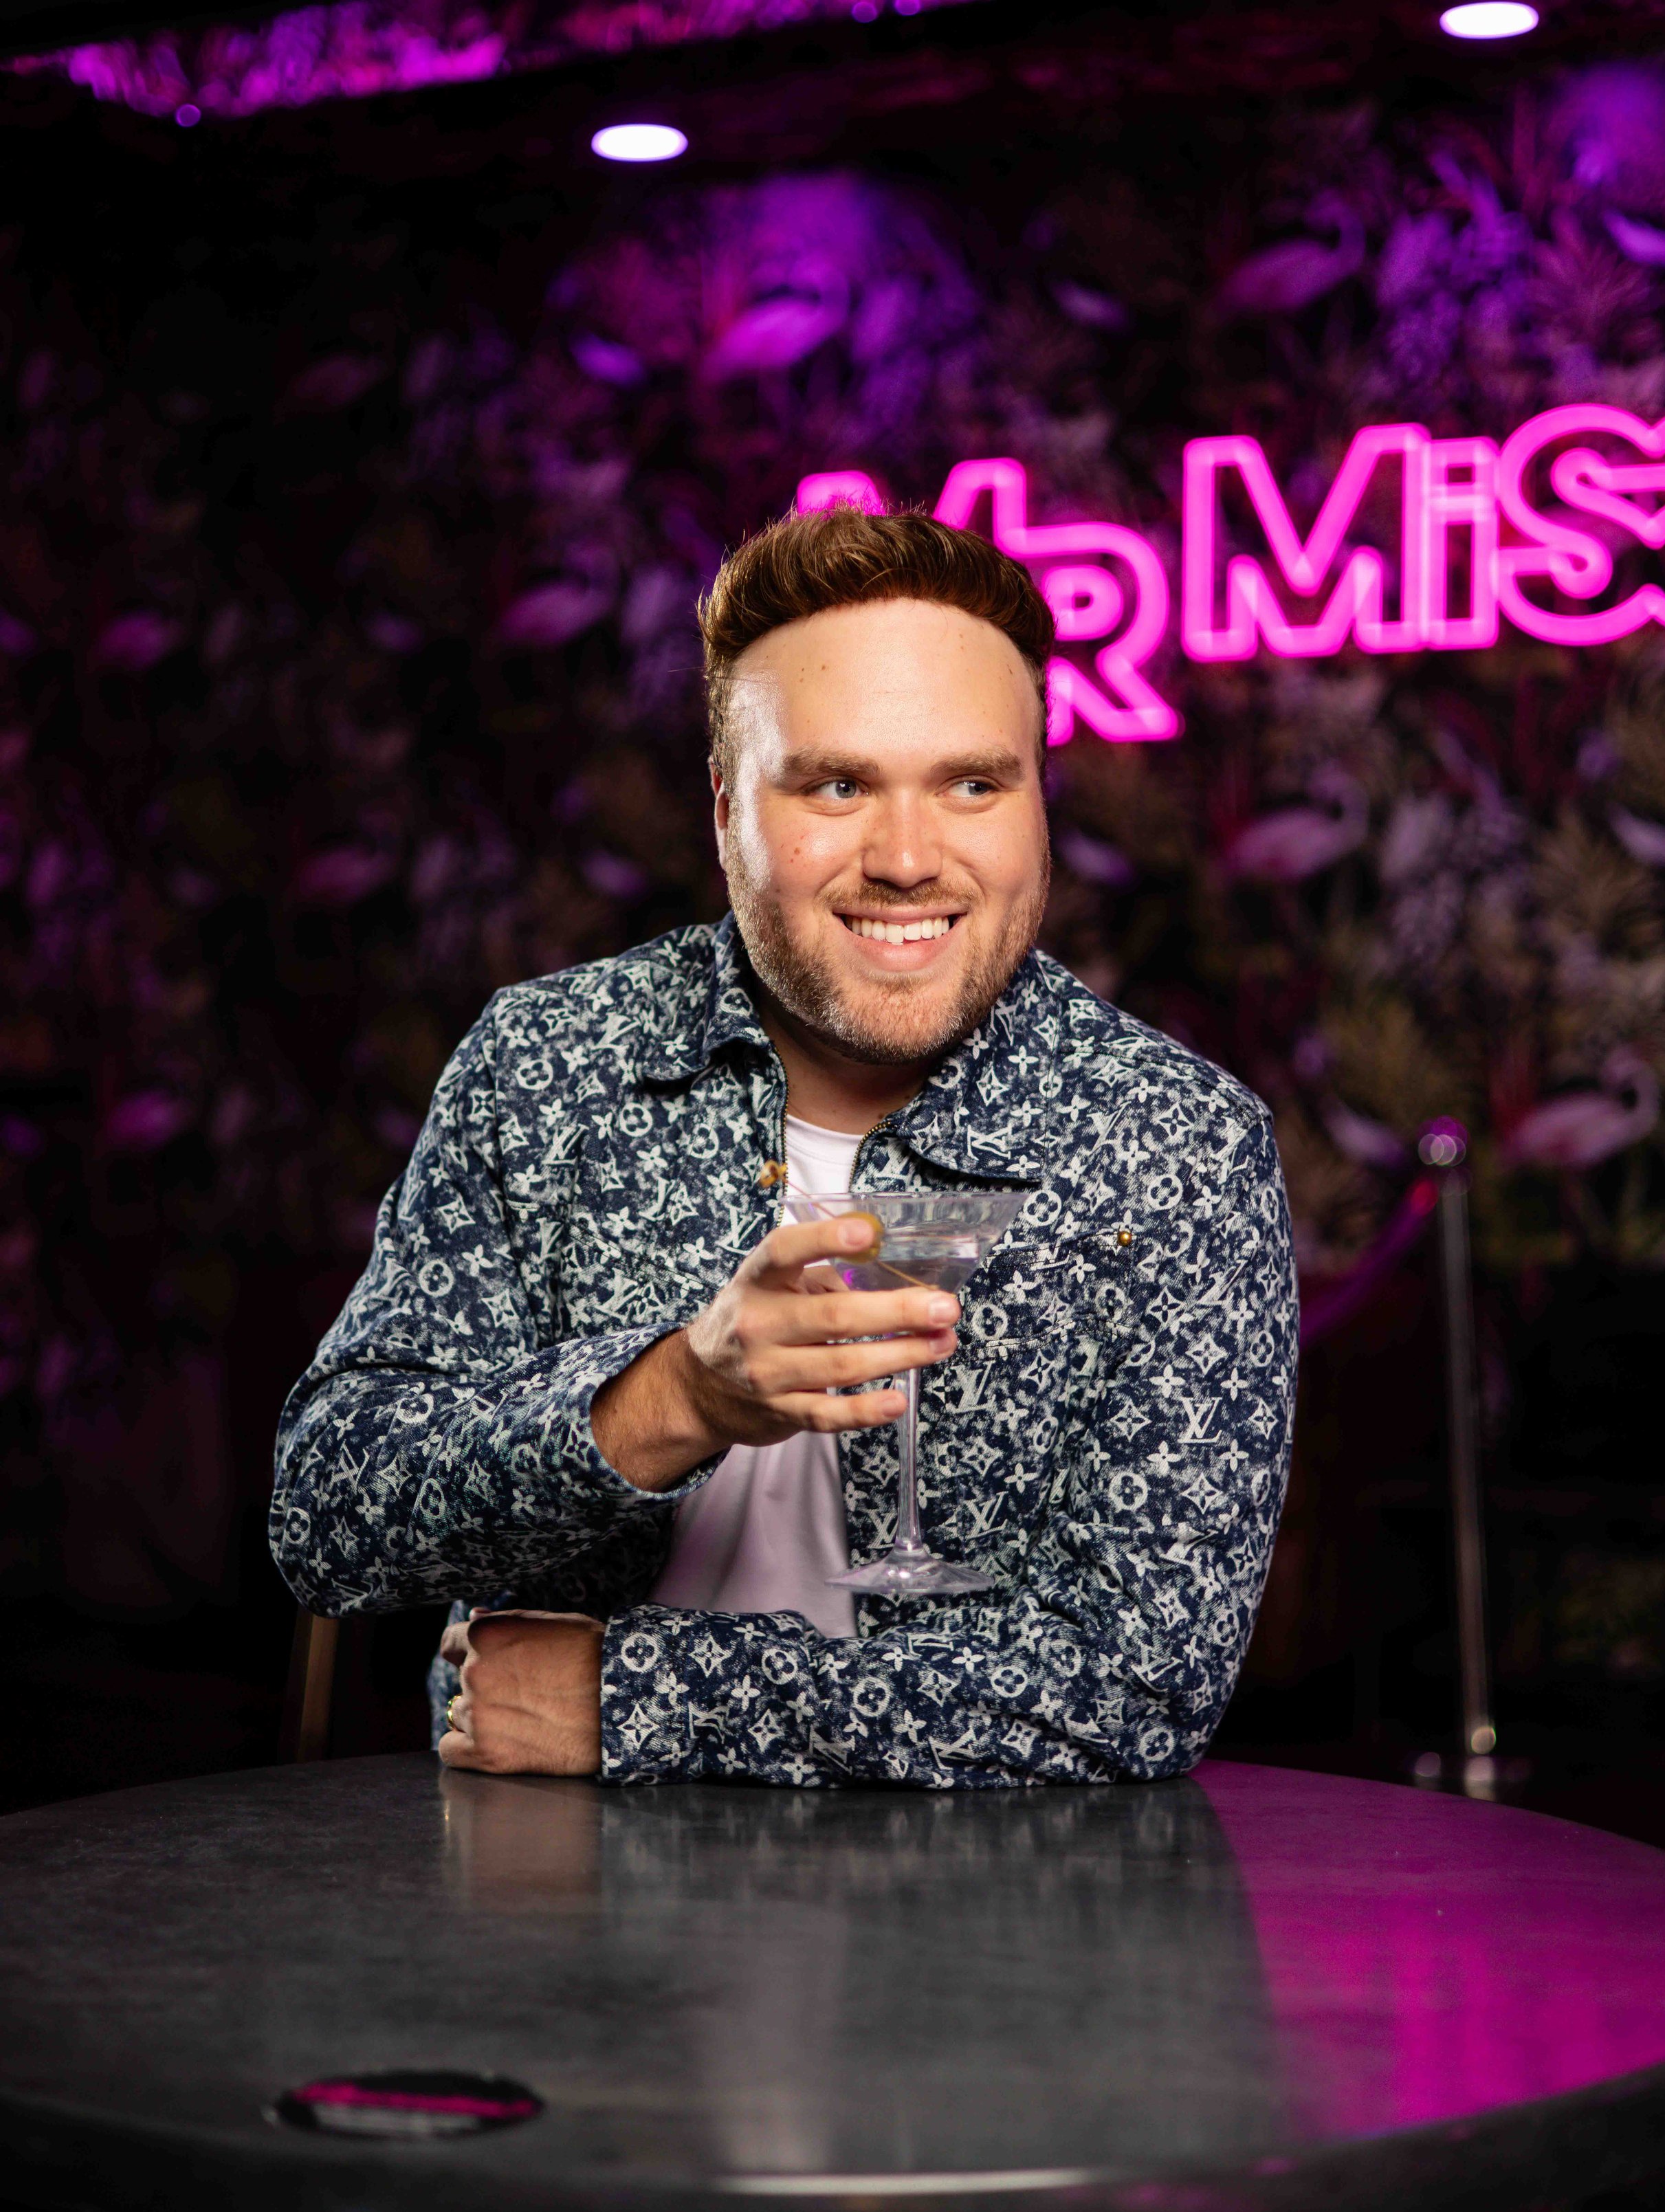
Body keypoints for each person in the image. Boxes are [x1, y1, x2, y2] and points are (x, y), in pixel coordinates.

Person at [270, 502, 1297, 1787]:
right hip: (561, 1939)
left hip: (992, 1947)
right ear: (723, 810)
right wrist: (673, 1399)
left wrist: (640, 1700)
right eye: (836, 784)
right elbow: (328, 1516)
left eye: (974, 783)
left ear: (1041, 799)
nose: (911, 858)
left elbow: (1141, 1686)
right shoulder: (548, 1064)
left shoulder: (1175, 1144)